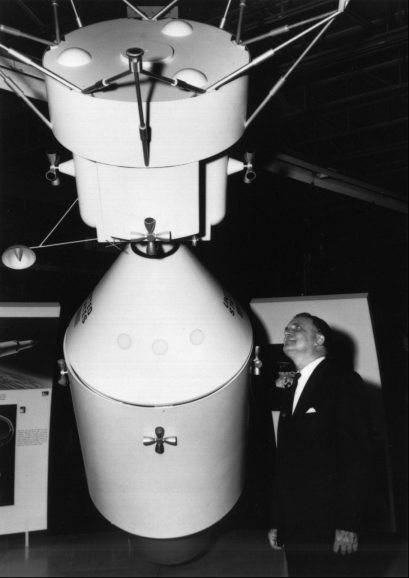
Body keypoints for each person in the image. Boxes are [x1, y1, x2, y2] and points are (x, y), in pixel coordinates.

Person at [267, 312, 371, 577]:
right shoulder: (293, 388)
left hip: (331, 525)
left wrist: (349, 522)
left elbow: (356, 456)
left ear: (319, 339)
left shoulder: (343, 381)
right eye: (287, 327)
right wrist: (279, 521)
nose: (288, 331)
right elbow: (285, 461)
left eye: (298, 327)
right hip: (296, 524)